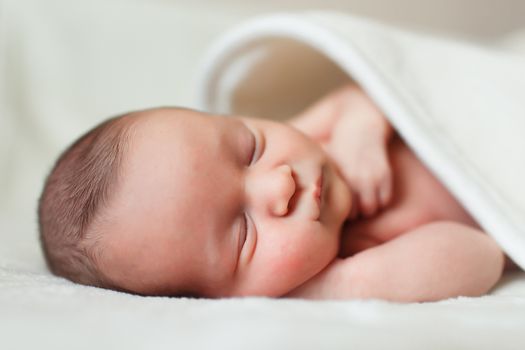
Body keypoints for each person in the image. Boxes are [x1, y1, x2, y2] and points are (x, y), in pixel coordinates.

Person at [38, 83, 513, 302]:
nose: (279, 183)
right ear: (231, 298)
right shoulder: (353, 259)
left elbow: (374, 87)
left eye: (248, 148)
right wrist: (347, 287)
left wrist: (361, 129)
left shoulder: (315, 139)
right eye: (243, 232)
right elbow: (483, 255)